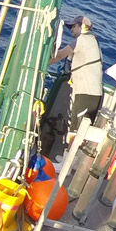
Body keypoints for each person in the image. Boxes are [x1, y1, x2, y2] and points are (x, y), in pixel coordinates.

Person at [44, 15, 102, 158]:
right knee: (83, 128)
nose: (71, 30)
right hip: (93, 93)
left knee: (75, 128)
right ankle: (73, 159)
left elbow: (59, 56)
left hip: (86, 92)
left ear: (81, 26)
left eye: (73, 27)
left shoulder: (82, 40)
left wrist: (41, 64)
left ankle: (67, 160)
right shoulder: (93, 41)